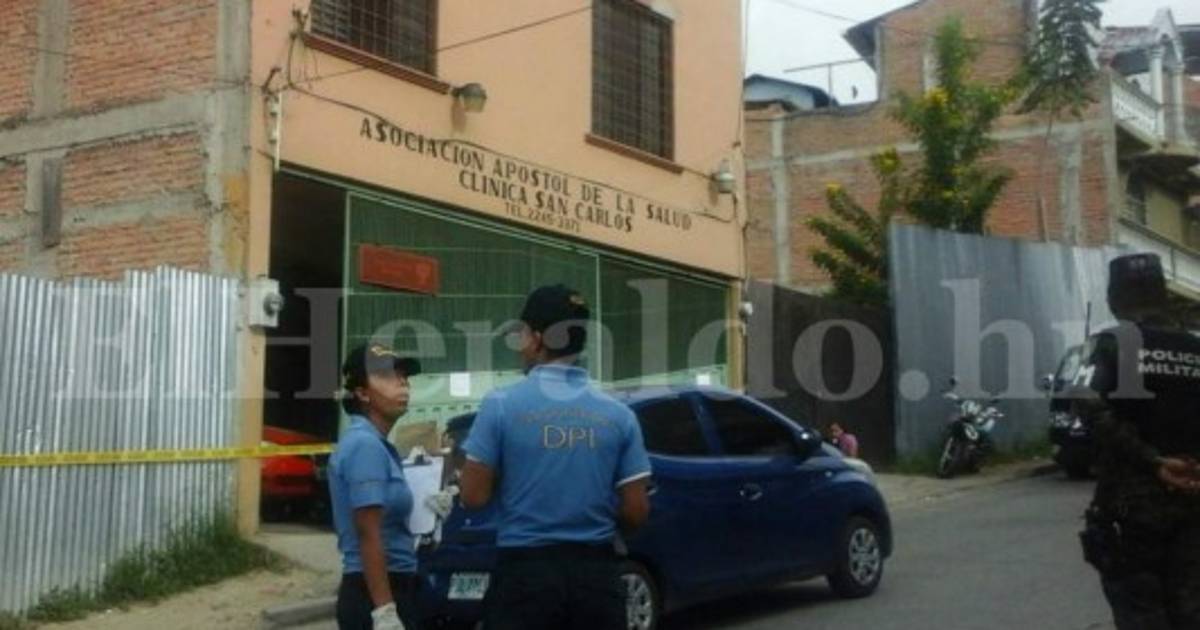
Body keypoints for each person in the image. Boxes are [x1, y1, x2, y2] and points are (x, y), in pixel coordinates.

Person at [459, 284, 652, 630]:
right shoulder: (620, 415)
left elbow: (473, 497)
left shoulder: (500, 405)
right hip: (596, 577)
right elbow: (636, 510)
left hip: (524, 579)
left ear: (536, 340)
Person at [1074, 253, 1200, 629]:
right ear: (1163, 294)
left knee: (1141, 616)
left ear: (1114, 299)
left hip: (1131, 511)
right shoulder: (1195, 348)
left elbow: (1084, 400)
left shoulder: (1110, 344)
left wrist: (1152, 461)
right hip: (1192, 503)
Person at [328, 343, 423, 630]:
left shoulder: (379, 445)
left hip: (391, 584)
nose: (402, 383)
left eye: (403, 375)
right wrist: (384, 610)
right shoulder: (365, 445)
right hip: (375, 593)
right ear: (362, 393)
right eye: (388, 376)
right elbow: (368, 531)